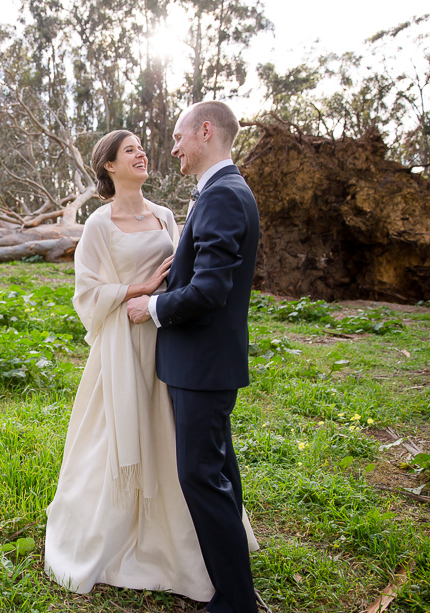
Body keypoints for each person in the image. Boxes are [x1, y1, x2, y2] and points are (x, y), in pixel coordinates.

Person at [44, 130, 256, 601]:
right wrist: (135, 291)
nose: (141, 154)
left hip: (167, 340)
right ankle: (110, 534)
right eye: (129, 151)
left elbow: (187, 275)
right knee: (114, 437)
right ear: (109, 168)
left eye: (141, 147)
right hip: (122, 341)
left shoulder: (165, 215)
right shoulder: (99, 224)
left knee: (171, 438)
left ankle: (182, 545)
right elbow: (86, 293)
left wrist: (161, 303)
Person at [127, 101, 261, 613]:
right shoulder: (224, 191)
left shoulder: (223, 195)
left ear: (206, 132)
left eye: (181, 137)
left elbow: (210, 291)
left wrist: (152, 306)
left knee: (201, 477)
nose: (175, 148)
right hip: (206, 364)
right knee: (218, 470)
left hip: (202, 365)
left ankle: (233, 600)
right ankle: (234, 583)